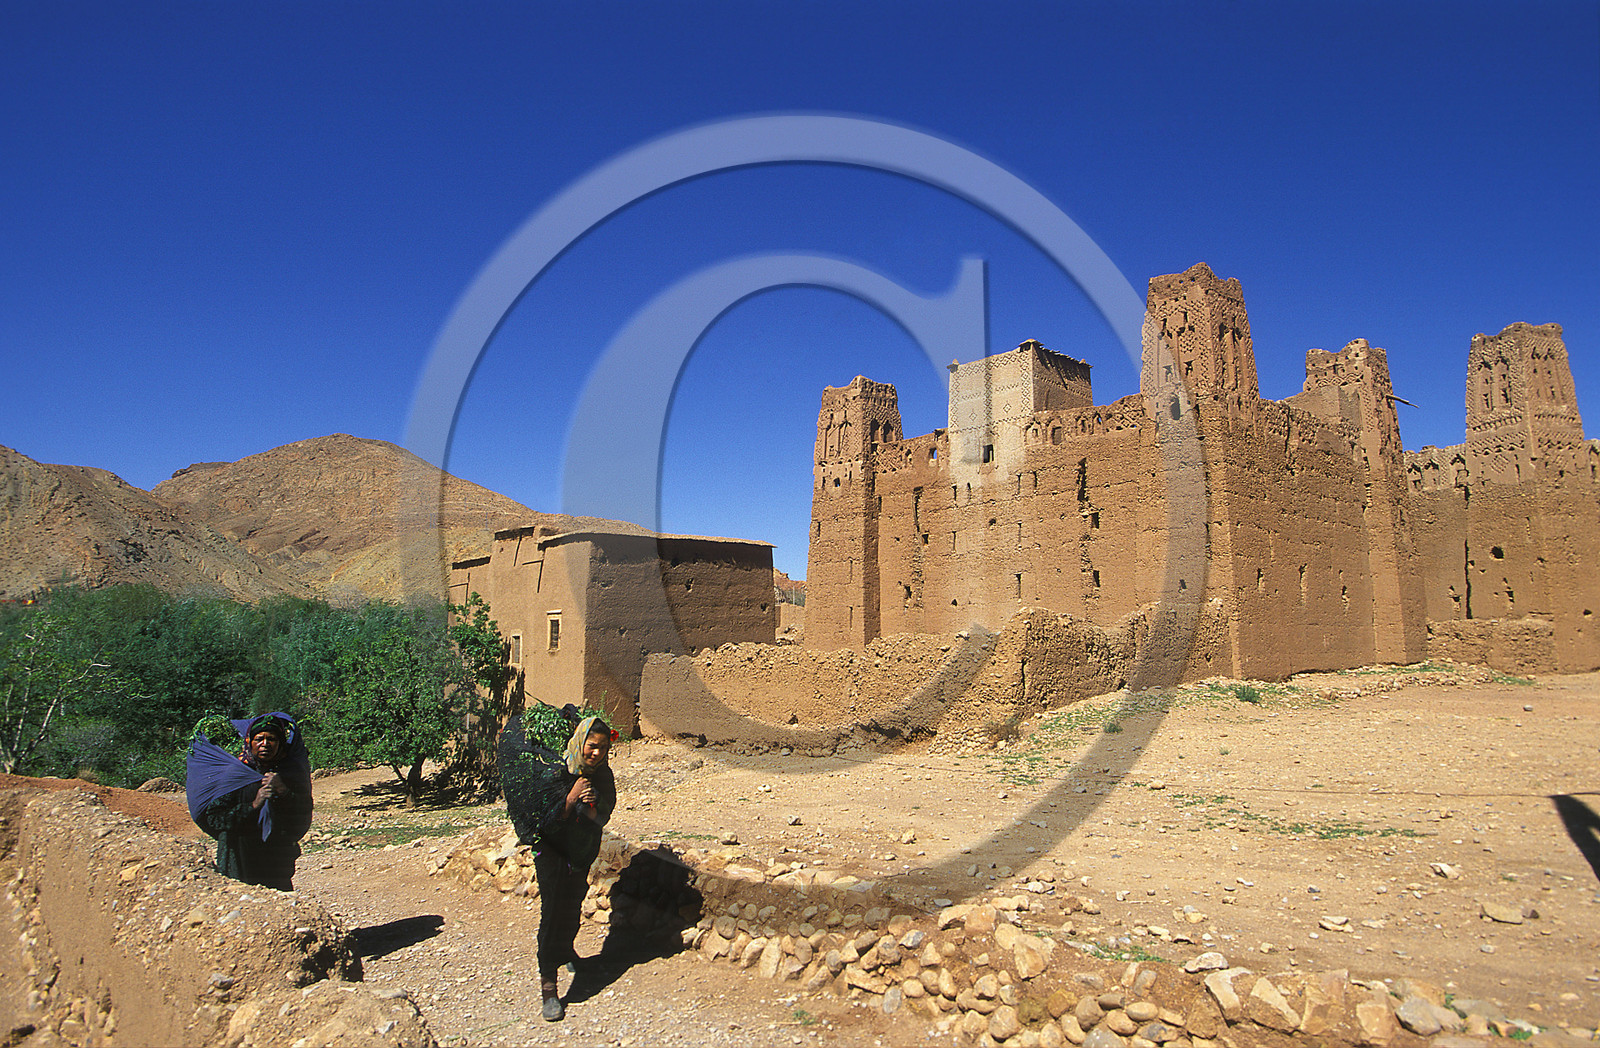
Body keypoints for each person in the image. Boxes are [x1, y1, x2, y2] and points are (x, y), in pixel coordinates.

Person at [500, 712, 616, 1022]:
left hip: (581, 850)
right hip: (550, 851)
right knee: (552, 911)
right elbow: (545, 822)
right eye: (592, 746)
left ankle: (566, 950)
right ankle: (549, 985)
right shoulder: (553, 772)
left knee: (573, 903)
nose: (597, 753)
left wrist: (592, 803)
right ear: (580, 742)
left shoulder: (603, 776)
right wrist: (571, 798)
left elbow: (604, 816)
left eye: (603, 748)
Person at [195, 714, 314, 890]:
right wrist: (253, 805)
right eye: (259, 739)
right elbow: (215, 818)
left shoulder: (289, 774)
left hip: (276, 861)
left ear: (280, 744)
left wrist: (283, 790)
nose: (265, 744)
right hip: (239, 859)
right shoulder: (234, 775)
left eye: (272, 739)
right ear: (249, 742)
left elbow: (303, 813)